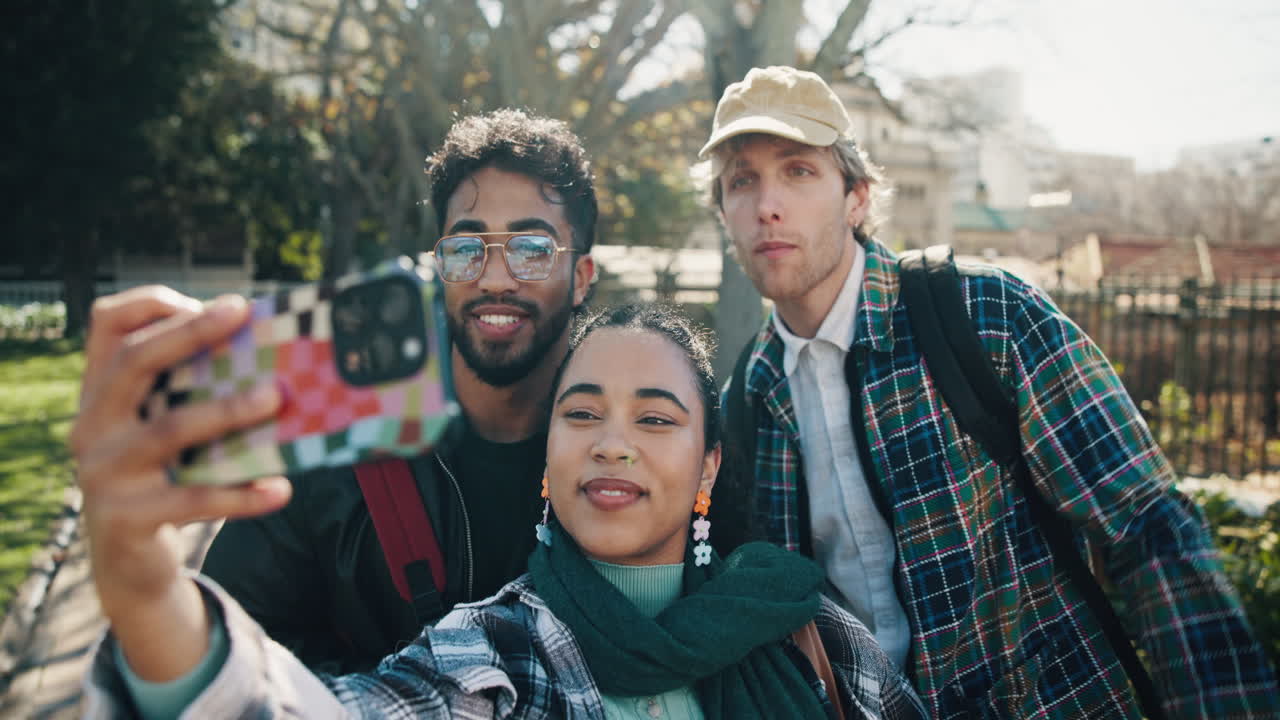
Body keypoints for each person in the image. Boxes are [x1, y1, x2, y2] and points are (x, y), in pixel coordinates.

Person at [702, 66, 1279, 718]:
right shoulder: (745, 401)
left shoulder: (981, 312)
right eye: (741, 181)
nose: (766, 205)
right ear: (723, 212)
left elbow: (1145, 526)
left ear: (857, 196)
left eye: (798, 171)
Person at [76, 302, 927, 719]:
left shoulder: (809, 630)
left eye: (656, 419)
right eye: (581, 412)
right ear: (548, 463)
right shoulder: (492, 653)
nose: (612, 444)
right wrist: (147, 593)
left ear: (708, 465)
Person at [88, 108, 598, 674]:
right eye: (466, 249)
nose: (496, 278)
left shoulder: (628, 451)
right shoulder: (334, 436)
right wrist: (138, 576)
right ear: (439, 265)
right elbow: (231, 651)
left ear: (580, 277)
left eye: (531, 249)